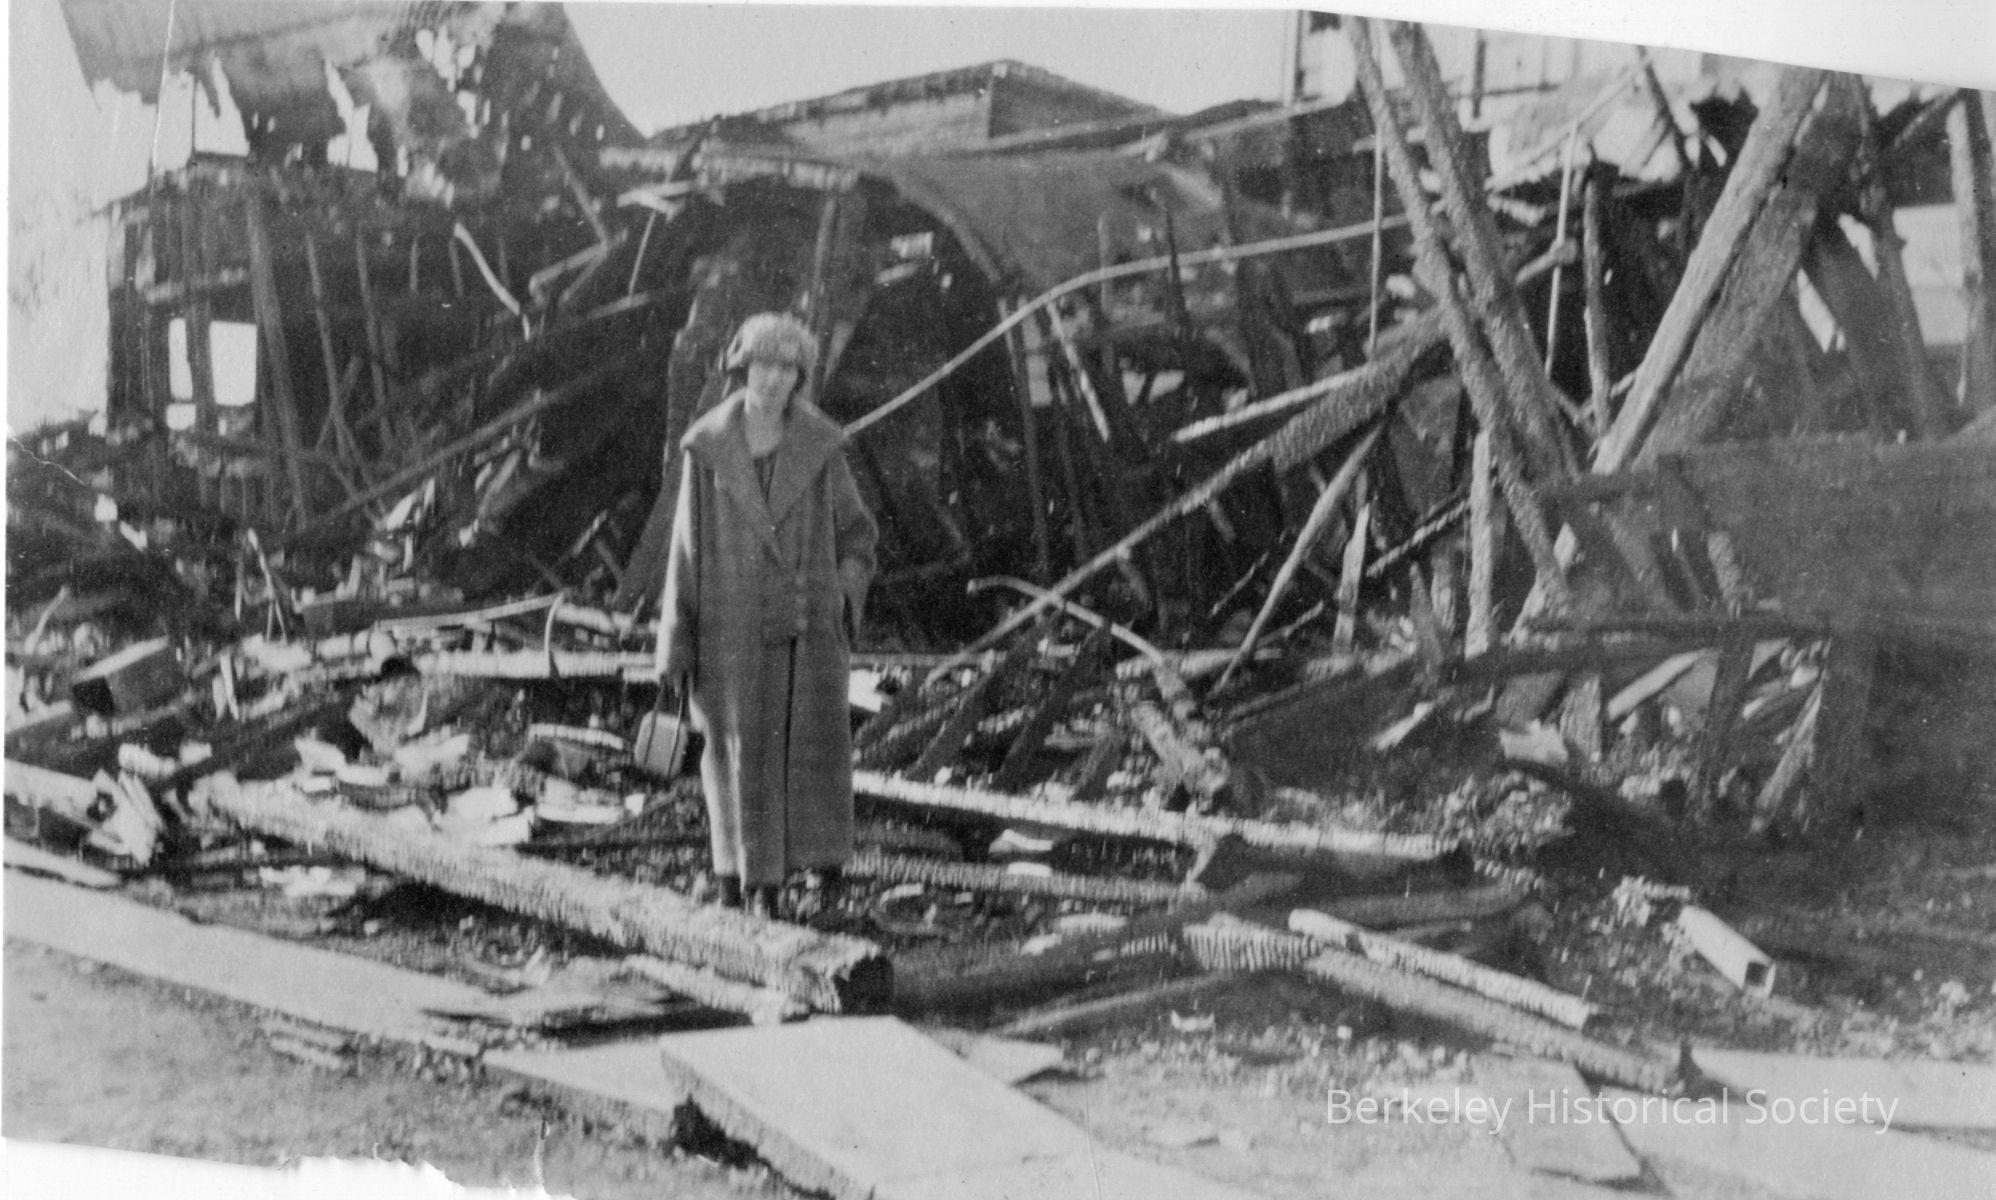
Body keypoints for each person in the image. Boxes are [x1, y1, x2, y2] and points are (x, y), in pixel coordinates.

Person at [655, 312, 878, 918]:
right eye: (763, 364)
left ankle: (814, 878)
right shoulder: (708, 449)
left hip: (806, 633)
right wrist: (676, 642)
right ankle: (741, 882)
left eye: (787, 368)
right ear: (740, 368)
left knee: (809, 755)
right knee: (736, 754)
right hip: (729, 633)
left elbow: (858, 538)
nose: (774, 378)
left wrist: (839, 598)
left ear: (800, 377)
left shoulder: (821, 448)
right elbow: (684, 552)